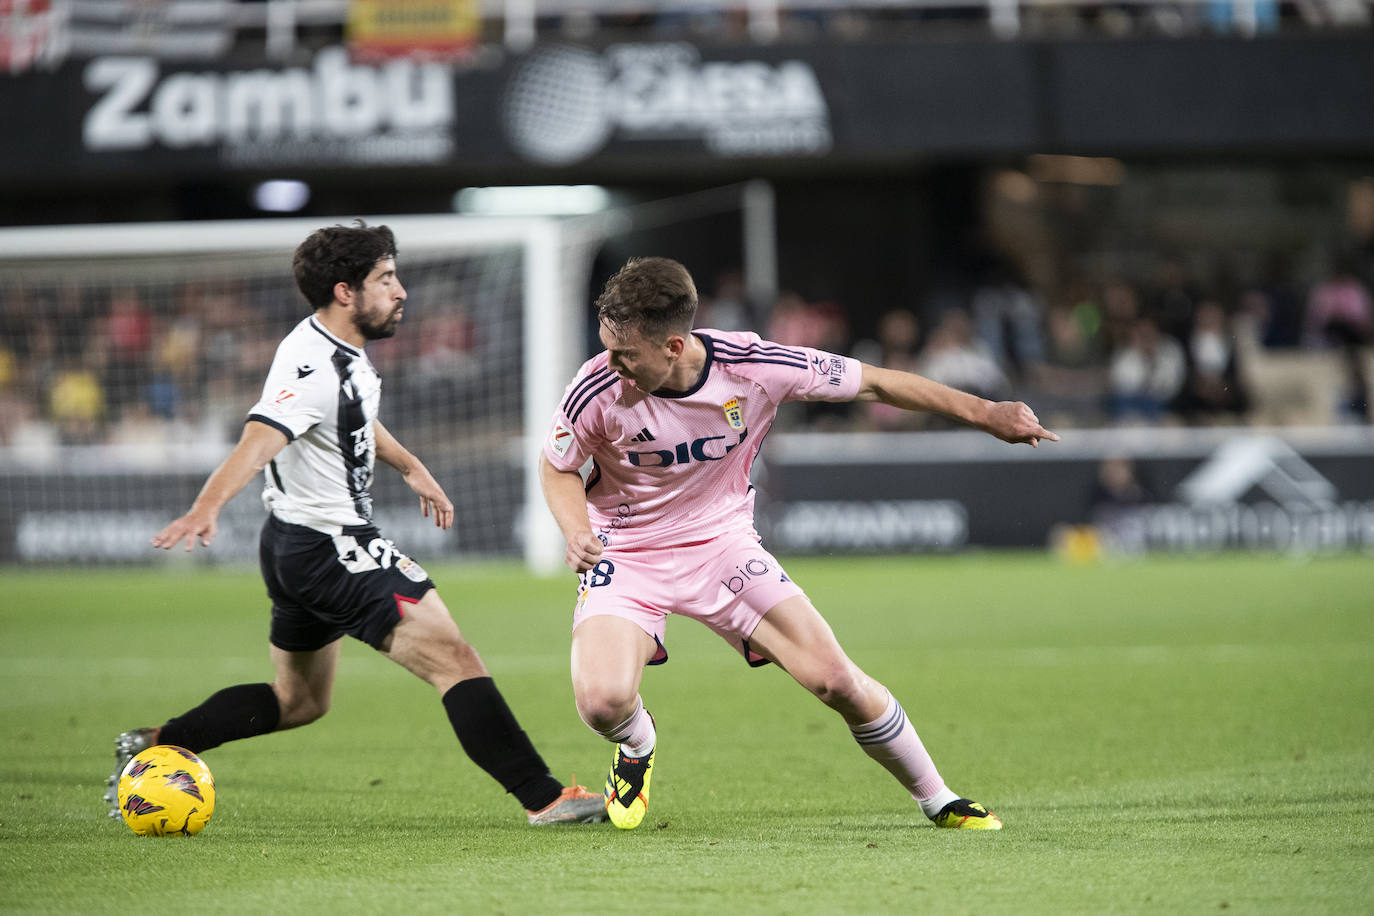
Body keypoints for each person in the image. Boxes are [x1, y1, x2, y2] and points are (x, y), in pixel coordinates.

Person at [105, 222, 606, 827]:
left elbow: (354, 418)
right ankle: (545, 797)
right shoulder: (313, 368)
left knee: (300, 701)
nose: (401, 291)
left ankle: (159, 743)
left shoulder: (337, 352)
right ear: (346, 292)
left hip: (293, 546)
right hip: (333, 547)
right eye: (386, 279)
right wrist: (207, 505)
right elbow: (258, 440)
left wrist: (410, 465)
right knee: (456, 659)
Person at [538, 257, 1058, 831]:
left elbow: (878, 382)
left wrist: (986, 412)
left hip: (721, 545)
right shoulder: (595, 388)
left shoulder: (755, 366)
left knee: (836, 681)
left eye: (624, 354)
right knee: (602, 702)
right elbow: (556, 465)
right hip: (627, 550)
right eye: (607, 348)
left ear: (674, 346)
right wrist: (577, 530)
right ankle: (637, 744)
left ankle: (939, 798)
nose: (610, 365)